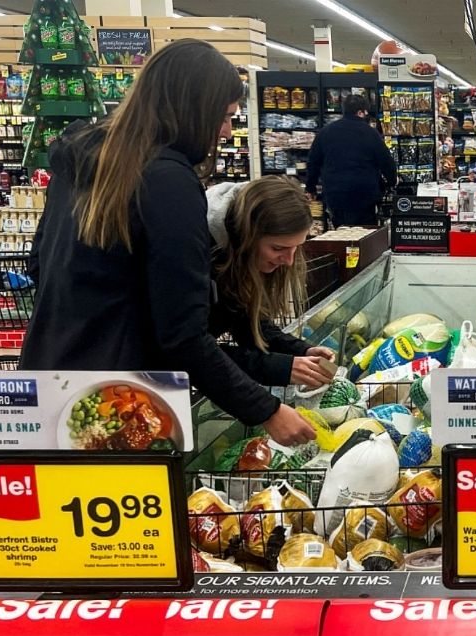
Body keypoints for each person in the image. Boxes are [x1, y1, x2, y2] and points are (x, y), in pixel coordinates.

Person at [21, 39, 317, 447]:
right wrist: (265, 410)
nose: (226, 131)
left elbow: (38, 265)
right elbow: (181, 333)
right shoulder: (167, 181)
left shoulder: (81, 160)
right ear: (193, 107)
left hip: (50, 379)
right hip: (126, 401)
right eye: (225, 116)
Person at [206, 177, 337, 389]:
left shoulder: (239, 256)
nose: (289, 260)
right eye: (278, 248)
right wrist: (282, 368)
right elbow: (188, 350)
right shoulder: (198, 255)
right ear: (247, 235)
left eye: (296, 248)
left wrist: (300, 351)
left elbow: (249, 324)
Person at [305, 93, 397, 227]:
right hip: (364, 193)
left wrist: (310, 188)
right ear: (361, 112)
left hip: (335, 193)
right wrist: (391, 182)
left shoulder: (325, 132)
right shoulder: (370, 133)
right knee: (365, 232)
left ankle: (343, 246)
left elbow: (313, 162)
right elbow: (386, 161)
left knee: (340, 231)